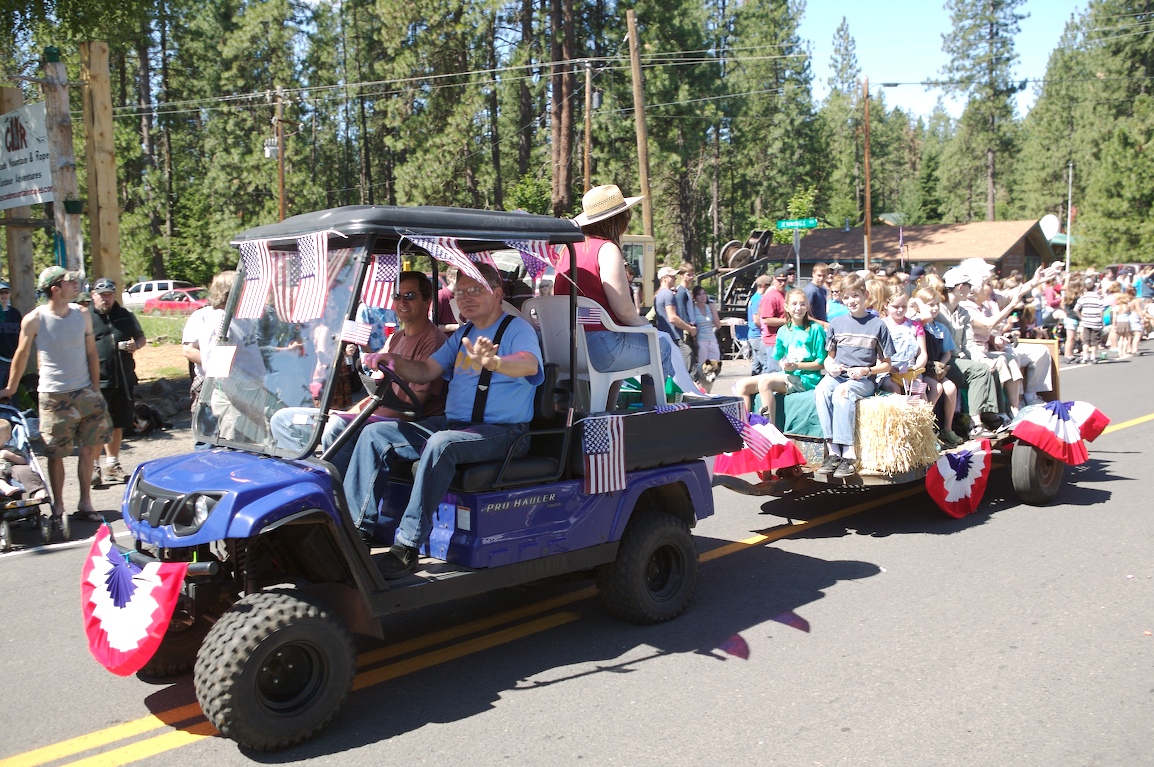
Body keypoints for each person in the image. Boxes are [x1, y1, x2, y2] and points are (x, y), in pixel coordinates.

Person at [343, 263, 544, 578]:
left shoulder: (517, 330)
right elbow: (426, 371)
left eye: (475, 290)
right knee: (375, 435)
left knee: (440, 444)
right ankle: (356, 534)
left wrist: (495, 362)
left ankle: (407, 546)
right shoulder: (464, 334)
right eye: (460, 292)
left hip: (505, 434)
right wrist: (393, 360)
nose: (466, 297)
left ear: (497, 294)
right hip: (455, 426)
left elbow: (528, 364)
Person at [556, 185, 694, 396]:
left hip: (563, 347)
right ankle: (652, 412)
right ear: (618, 219)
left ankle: (608, 410)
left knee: (626, 342)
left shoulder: (566, 250)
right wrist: (646, 324)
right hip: (599, 348)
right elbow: (624, 311)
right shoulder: (607, 249)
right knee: (662, 347)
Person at [0, 266, 111, 522]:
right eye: (69, 281)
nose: (75, 283)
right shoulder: (34, 319)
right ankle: (59, 506)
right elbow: (21, 355)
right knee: (56, 453)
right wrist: (11, 388)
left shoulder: (82, 314)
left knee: (89, 449)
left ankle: (85, 502)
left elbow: (91, 352)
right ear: (55, 288)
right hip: (53, 396)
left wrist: (95, 387)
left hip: (86, 392)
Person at [317, 271, 448, 473]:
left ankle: (336, 491)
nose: (402, 302)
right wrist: (347, 414)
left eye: (410, 296)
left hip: (413, 425)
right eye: (397, 296)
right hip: (382, 414)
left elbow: (409, 409)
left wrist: (350, 419)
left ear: (427, 301)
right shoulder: (395, 338)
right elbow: (376, 393)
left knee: (336, 427)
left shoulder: (434, 342)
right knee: (285, 419)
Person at [813, 272, 894, 479]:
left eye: (855, 295)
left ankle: (849, 454)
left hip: (863, 380)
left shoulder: (878, 325)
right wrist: (830, 367)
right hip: (838, 375)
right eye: (846, 297)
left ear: (865, 295)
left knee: (842, 392)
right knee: (822, 389)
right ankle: (833, 451)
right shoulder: (836, 323)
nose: (851, 301)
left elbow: (887, 365)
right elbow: (829, 358)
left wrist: (867, 370)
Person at [733, 289, 826, 423]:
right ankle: (745, 429)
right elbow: (779, 358)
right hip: (787, 375)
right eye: (794, 304)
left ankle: (770, 428)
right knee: (741, 385)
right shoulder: (783, 331)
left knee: (766, 382)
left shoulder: (815, 329)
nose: (798, 308)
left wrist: (797, 366)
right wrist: (783, 364)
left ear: (807, 306)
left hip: (807, 379)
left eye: (802, 304)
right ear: (786, 307)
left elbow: (821, 363)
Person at [90, 279, 147, 485]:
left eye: (110, 295)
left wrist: (136, 345)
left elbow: (141, 337)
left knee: (118, 423)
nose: (106, 299)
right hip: (97, 381)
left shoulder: (125, 315)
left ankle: (112, 464)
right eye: (102, 295)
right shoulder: (85, 317)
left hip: (123, 378)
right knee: (97, 426)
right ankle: (93, 466)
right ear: (93, 295)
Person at [754, 267, 788, 373]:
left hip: (785, 340)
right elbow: (767, 320)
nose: (782, 283)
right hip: (773, 342)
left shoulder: (786, 294)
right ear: (774, 280)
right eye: (779, 280)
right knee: (774, 374)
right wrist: (788, 321)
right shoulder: (770, 297)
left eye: (785, 280)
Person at [690, 286, 721, 390]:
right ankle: (701, 390)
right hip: (701, 340)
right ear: (695, 297)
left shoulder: (709, 307)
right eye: (699, 295)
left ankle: (709, 391)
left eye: (704, 294)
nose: (702, 296)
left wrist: (713, 309)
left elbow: (718, 325)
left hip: (712, 339)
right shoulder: (693, 309)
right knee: (702, 368)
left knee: (714, 366)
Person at [1075, 277, 1106, 364]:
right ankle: (1093, 357)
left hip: (1086, 321)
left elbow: (1076, 309)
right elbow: (1101, 310)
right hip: (1096, 321)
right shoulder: (1098, 298)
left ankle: (1085, 357)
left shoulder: (1083, 298)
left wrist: (1081, 318)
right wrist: (1102, 320)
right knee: (1094, 341)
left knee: (1086, 341)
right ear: (1095, 288)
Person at [746, 275, 771, 375]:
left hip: (754, 335)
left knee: (757, 367)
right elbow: (756, 319)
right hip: (758, 335)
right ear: (764, 285)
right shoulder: (758, 299)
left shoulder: (755, 297)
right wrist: (766, 330)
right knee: (766, 365)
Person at [0, 280, 23, 389]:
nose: (4, 295)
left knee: (12, 391)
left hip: (14, 359)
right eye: (1, 292)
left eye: (6, 292)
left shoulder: (15, 313)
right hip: (0, 359)